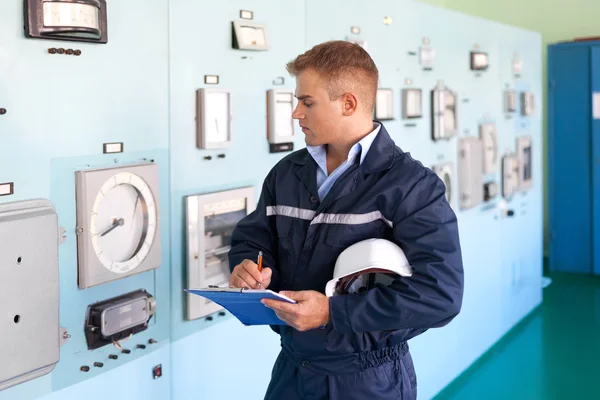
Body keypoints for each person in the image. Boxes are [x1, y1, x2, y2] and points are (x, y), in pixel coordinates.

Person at [228, 40, 464, 400]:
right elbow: (255, 238)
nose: (296, 113)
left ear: (349, 103)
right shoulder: (286, 174)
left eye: (307, 102)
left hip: (367, 380)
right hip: (292, 371)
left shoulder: (411, 187)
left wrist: (333, 313)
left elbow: (440, 295)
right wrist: (250, 265)